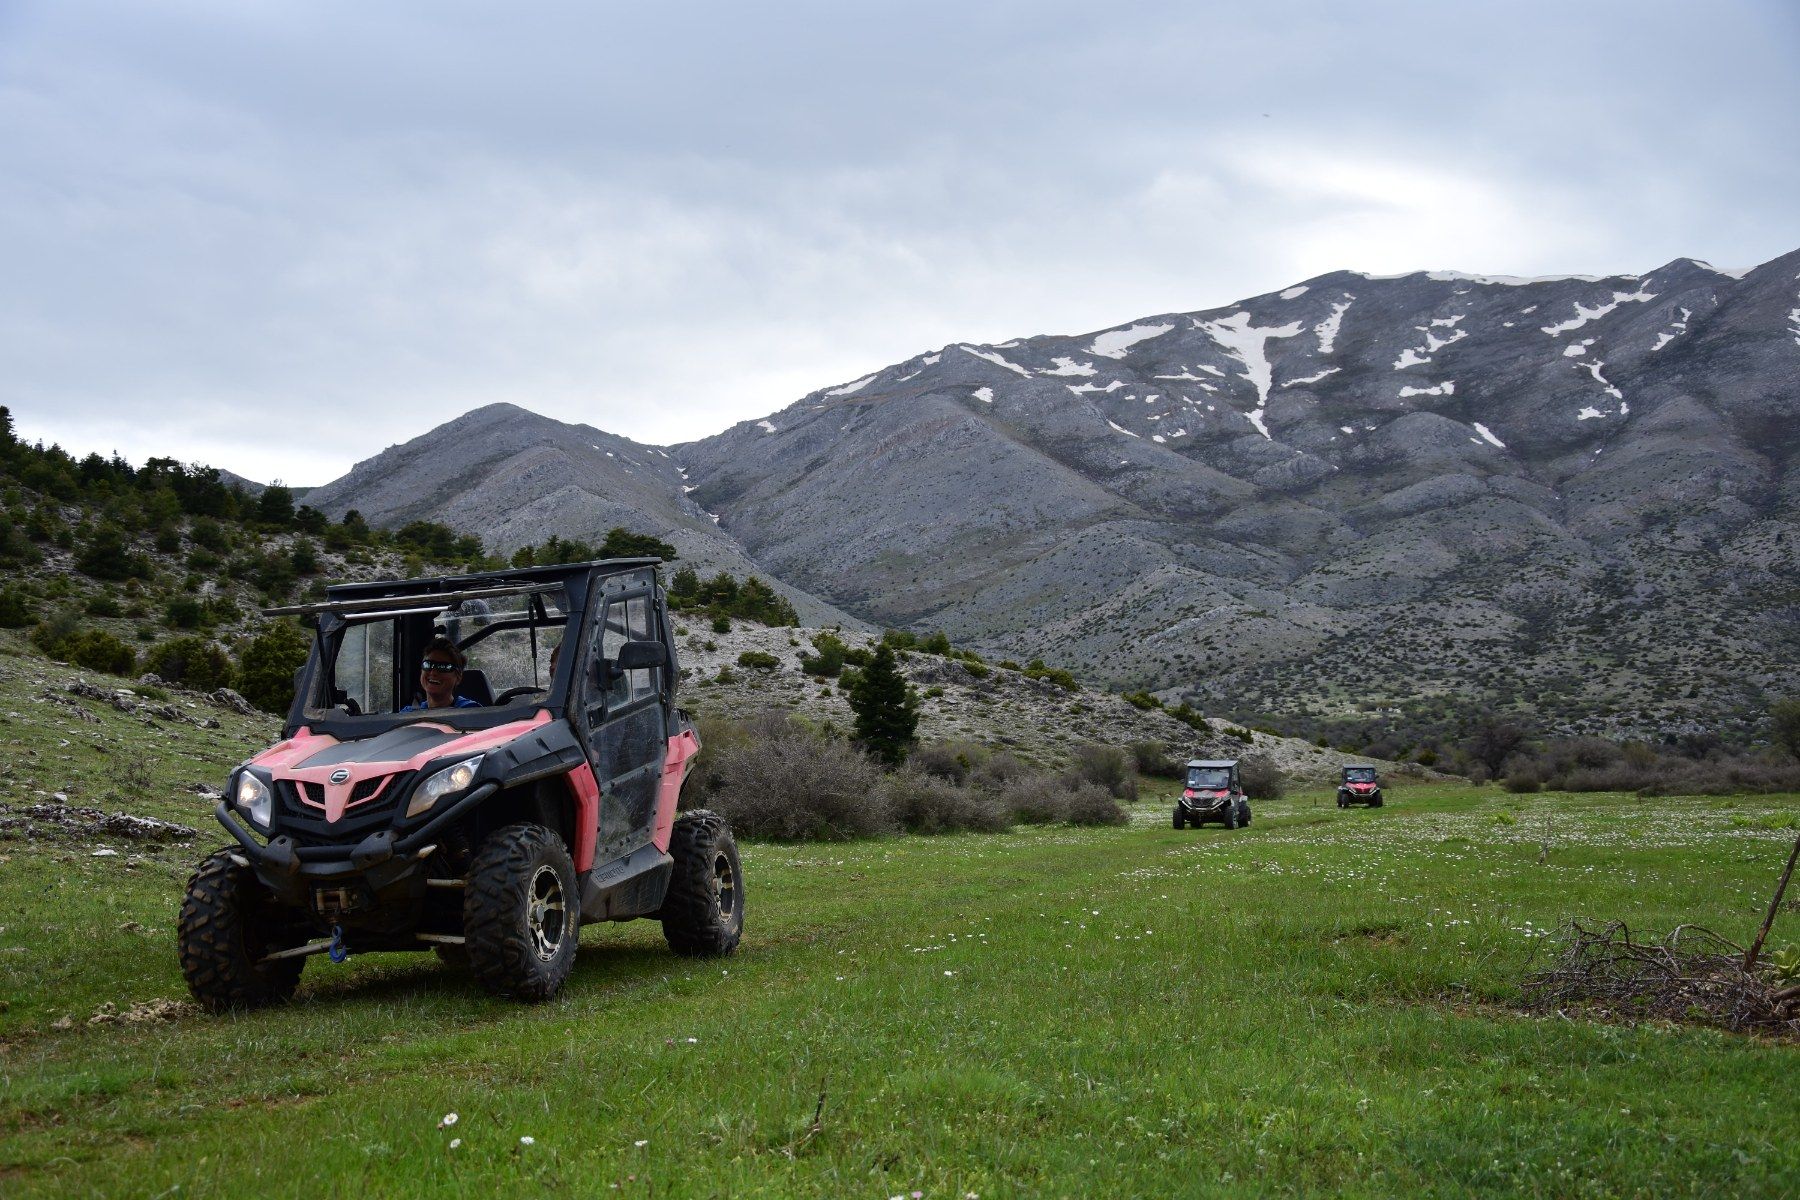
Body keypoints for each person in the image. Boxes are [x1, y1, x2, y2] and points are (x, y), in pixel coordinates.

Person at [401, 636, 483, 711]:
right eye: (428, 664)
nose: (433, 672)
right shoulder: (408, 714)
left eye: (443, 667)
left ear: (458, 677)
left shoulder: (470, 711)